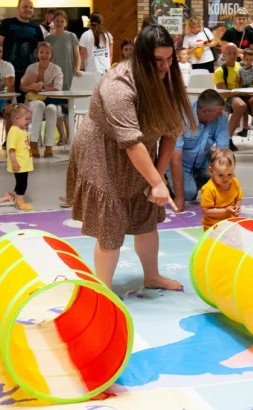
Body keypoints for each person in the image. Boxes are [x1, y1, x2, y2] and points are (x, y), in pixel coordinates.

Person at [65, 25, 196, 291]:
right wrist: (157, 182)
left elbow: (171, 132)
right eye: (158, 60)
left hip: (141, 149)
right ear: (140, 58)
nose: (165, 65)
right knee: (110, 224)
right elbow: (130, 141)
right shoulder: (118, 85)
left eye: (169, 58)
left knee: (146, 215)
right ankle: (103, 288)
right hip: (102, 151)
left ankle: (152, 276)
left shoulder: (168, 78)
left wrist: (157, 178)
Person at [167, 89, 229, 211]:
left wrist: (225, 188)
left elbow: (223, 154)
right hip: (180, 162)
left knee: (227, 181)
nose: (220, 115)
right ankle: (171, 182)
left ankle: (198, 180)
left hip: (204, 160)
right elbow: (176, 157)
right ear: (204, 111)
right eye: (218, 112)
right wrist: (179, 197)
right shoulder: (180, 117)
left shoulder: (222, 119)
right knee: (188, 194)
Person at [215, 43, 253, 151]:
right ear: (224, 54)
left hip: (250, 94)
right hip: (232, 97)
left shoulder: (243, 65)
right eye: (229, 53)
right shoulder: (220, 71)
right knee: (240, 105)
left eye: (234, 52)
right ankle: (228, 139)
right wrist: (240, 92)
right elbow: (224, 93)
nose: (232, 55)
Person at [20, 42, 64, 158]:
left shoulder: (56, 69)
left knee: (51, 109)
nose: (44, 55)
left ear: (51, 55)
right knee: (39, 105)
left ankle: (49, 147)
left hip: (51, 100)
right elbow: (22, 87)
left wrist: (42, 88)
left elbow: (58, 88)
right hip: (33, 100)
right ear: (37, 54)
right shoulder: (31, 68)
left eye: (47, 52)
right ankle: (33, 144)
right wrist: (30, 87)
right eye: (41, 52)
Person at [0, 0, 44, 99]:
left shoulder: (36, 28)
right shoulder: (6, 23)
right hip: (8, 71)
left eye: (31, 7)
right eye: (25, 7)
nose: (28, 10)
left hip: (29, 73)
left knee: (28, 101)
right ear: (18, 8)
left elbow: (41, 51)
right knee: (9, 101)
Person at [200, 148, 243, 231]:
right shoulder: (209, 189)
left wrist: (237, 207)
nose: (226, 179)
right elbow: (205, 210)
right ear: (211, 171)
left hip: (230, 224)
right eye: (221, 175)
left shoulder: (235, 182)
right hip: (213, 227)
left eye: (230, 174)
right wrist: (225, 211)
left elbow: (238, 199)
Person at [5, 103, 34, 210]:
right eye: (26, 119)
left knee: (21, 181)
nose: (28, 121)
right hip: (19, 164)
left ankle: (17, 198)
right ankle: (20, 202)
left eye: (29, 119)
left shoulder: (21, 131)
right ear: (17, 118)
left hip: (23, 163)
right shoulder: (14, 131)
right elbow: (11, 149)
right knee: (22, 183)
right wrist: (14, 162)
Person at [44, 11, 81, 91]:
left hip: (68, 71)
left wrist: (77, 69)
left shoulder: (71, 36)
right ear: (53, 21)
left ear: (66, 23)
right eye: (57, 21)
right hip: (52, 72)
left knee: (67, 99)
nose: (59, 23)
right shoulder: (48, 38)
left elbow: (77, 56)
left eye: (62, 21)